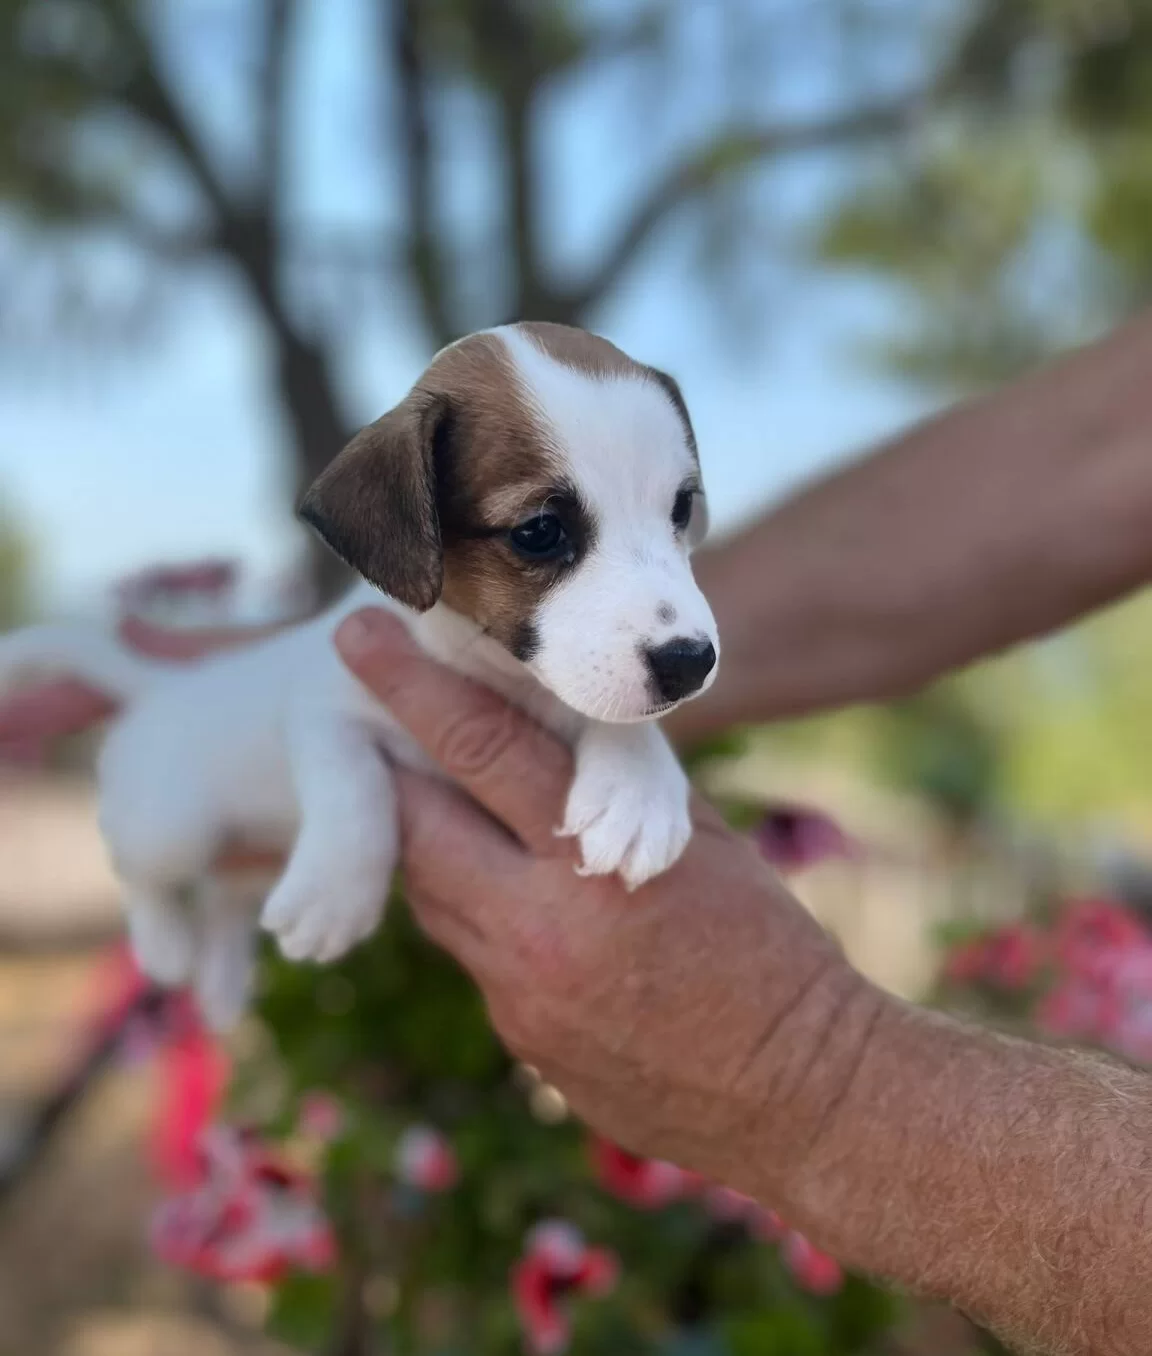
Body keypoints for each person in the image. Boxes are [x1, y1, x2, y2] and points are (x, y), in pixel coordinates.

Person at [12, 307, 1152, 1354]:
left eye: (675, 510)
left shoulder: (566, 616)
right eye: (546, 532)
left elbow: (604, 698)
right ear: (403, 538)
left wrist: (811, 1067)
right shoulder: (394, 557)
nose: (677, 614)